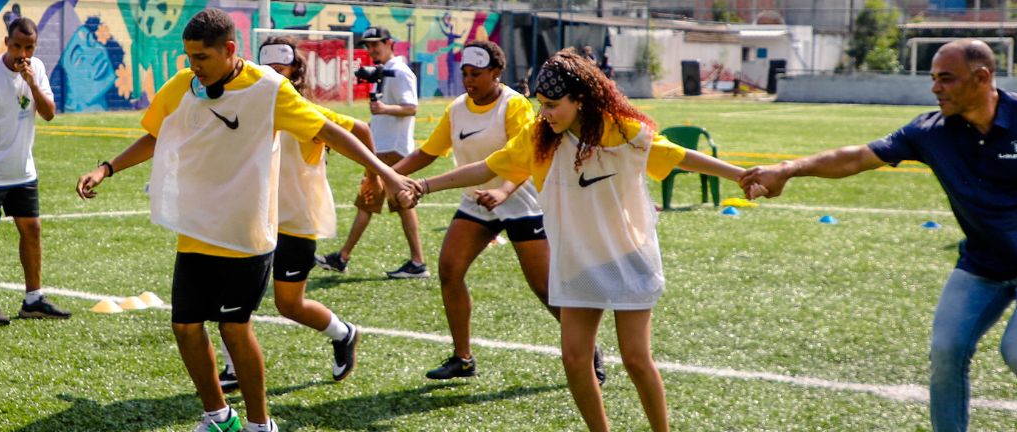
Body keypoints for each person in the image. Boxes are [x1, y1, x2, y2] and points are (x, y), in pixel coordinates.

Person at [741, 40, 1017, 432]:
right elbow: (856, 157)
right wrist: (789, 169)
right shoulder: (930, 131)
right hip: (982, 263)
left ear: (982, 78)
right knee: (946, 351)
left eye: (946, 79)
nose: (935, 88)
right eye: (933, 79)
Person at [75, 9, 409, 432]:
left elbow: (332, 131)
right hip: (197, 230)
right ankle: (218, 416)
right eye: (189, 57)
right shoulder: (184, 85)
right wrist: (106, 168)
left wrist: (387, 173)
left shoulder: (270, 90)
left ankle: (259, 424)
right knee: (185, 326)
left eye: (202, 58)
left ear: (230, 50)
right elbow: (157, 134)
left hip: (247, 235)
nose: (193, 66)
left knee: (234, 328)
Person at [404, 51, 751, 432]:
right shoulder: (538, 137)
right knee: (574, 359)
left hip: (628, 256)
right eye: (542, 105)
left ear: (579, 100)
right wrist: (423, 185)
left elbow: (677, 155)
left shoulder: (621, 131)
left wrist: (740, 176)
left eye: (553, 105)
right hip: (577, 261)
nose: (546, 113)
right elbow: (487, 167)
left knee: (636, 359)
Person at [389, 40, 603, 385]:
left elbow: (527, 156)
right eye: (465, 74)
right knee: (449, 269)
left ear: (496, 73)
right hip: (478, 200)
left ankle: (589, 350)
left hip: (521, 200)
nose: (469, 81)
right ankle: (463, 358)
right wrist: (385, 174)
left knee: (544, 288)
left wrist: (503, 189)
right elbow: (428, 152)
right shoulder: (458, 107)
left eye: (477, 74)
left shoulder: (514, 105)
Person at [212, 36, 369, 389]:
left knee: (289, 304)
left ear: (294, 71)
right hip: (253, 219)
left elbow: (361, 130)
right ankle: (232, 368)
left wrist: (372, 176)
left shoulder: (304, 111)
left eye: (280, 70)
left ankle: (344, 333)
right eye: (266, 70)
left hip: (295, 223)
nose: (272, 77)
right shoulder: (247, 108)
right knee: (229, 295)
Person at [0, 17, 70, 326]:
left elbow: (48, 114)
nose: (22, 53)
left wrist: (32, 82)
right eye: (17, 46)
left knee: (32, 230)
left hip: (23, 171)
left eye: (28, 47)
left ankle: (33, 299)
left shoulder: (38, 71)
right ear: (6, 43)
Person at [317, 26, 428, 279]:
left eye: (375, 44)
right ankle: (344, 257)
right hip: (383, 148)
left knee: (389, 202)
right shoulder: (385, 71)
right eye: (367, 45)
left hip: (393, 150)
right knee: (374, 202)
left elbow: (411, 108)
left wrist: (384, 109)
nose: (371, 49)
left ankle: (417, 263)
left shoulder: (399, 72)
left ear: (389, 43)